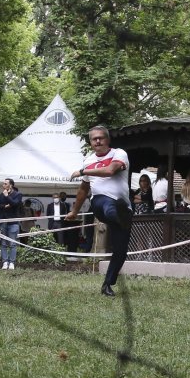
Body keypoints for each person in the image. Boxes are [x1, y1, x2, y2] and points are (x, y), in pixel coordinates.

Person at [66, 125, 133, 297]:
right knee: (109, 206)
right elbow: (83, 190)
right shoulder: (88, 160)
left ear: (108, 139)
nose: (97, 141)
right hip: (100, 202)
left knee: (120, 250)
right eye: (94, 139)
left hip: (123, 206)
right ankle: (119, 216)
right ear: (90, 143)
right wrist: (74, 211)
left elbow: (111, 171)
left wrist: (82, 171)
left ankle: (107, 284)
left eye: (101, 138)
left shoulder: (119, 154)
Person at [0, 178, 23, 270]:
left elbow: (15, 204)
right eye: (3, 184)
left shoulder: (18, 194)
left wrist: (7, 197)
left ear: (11, 185)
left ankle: (12, 263)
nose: (3, 185)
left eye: (5, 184)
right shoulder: (2, 194)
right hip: (3, 221)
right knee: (4, 243)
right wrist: (5, 206)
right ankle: (5, 262)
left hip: (13, 222)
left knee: (13, 243)